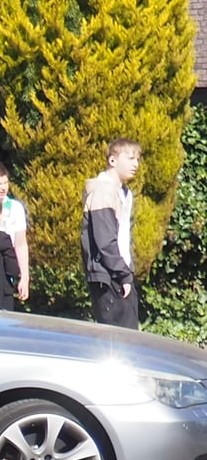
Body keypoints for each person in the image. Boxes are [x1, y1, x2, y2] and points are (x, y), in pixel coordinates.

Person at [82, 137, 144, 329]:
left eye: (138, 159)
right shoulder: (103, 191)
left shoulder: (124, 193)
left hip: (120, 274)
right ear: (112, 160)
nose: (136, 164)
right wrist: (123, 275)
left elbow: (124, 238)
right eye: (130, 158)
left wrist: (127, 272)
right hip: (108, 278)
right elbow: (105, 241)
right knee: (117, 343)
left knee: (130, 339)